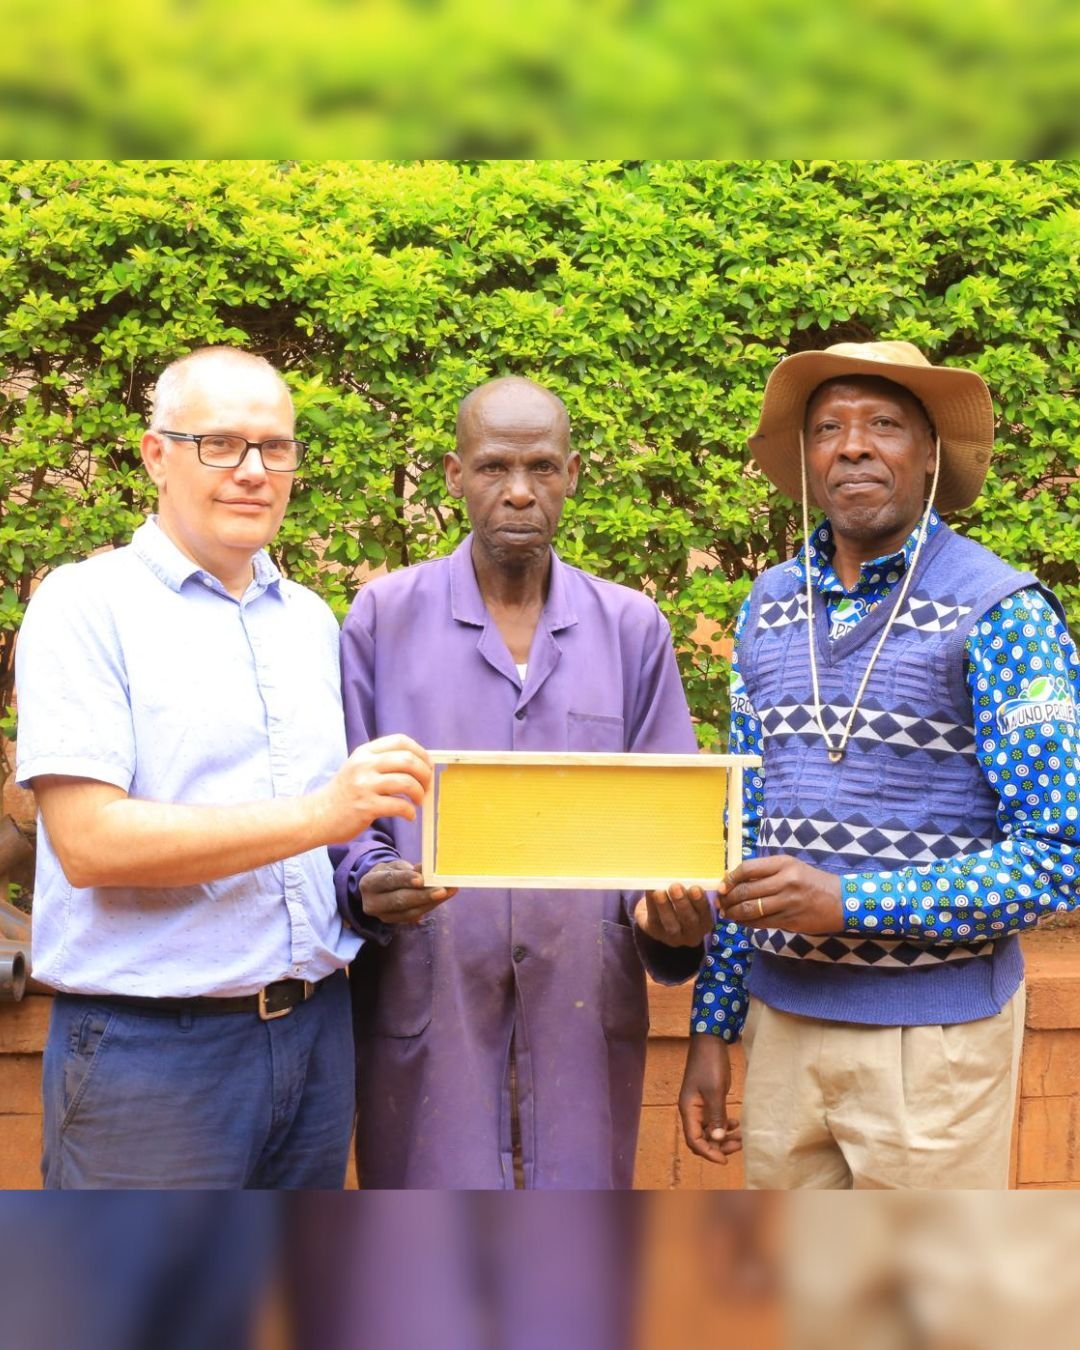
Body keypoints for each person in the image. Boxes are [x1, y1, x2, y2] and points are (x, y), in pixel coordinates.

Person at [15, 346, 432, 1188]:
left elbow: (326, 842)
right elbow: (90, 843)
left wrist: (377, 877)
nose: (253, 470)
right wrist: (324, 814)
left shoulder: (309, 620)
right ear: (155, 455)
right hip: (152, 1056)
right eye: (220, 444)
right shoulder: (85, 607)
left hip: (314, 1039)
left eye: (275, 447)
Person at [680, 340, 1080, 1189]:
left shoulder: (1001, 612)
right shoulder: (768, 606)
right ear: (807, 457)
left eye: (884, 424)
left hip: (934, 1047)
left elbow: (1058, 855)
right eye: (829, 427)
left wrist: (851, 901)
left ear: (930, 452)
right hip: (779, 1031)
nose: (853, 446)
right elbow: (741, 834)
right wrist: (712, 1022)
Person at [335, 375, 711, 1189]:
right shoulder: (382, 619)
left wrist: (670, 913)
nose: (517, 491)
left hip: (581, 1013)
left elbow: (668, 827)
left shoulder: (631, 629)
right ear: (454, 475)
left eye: (541, 467)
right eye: (493, 467)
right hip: (430, 1009)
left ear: (571, 475)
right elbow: (345, 809)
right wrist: (368, 877)